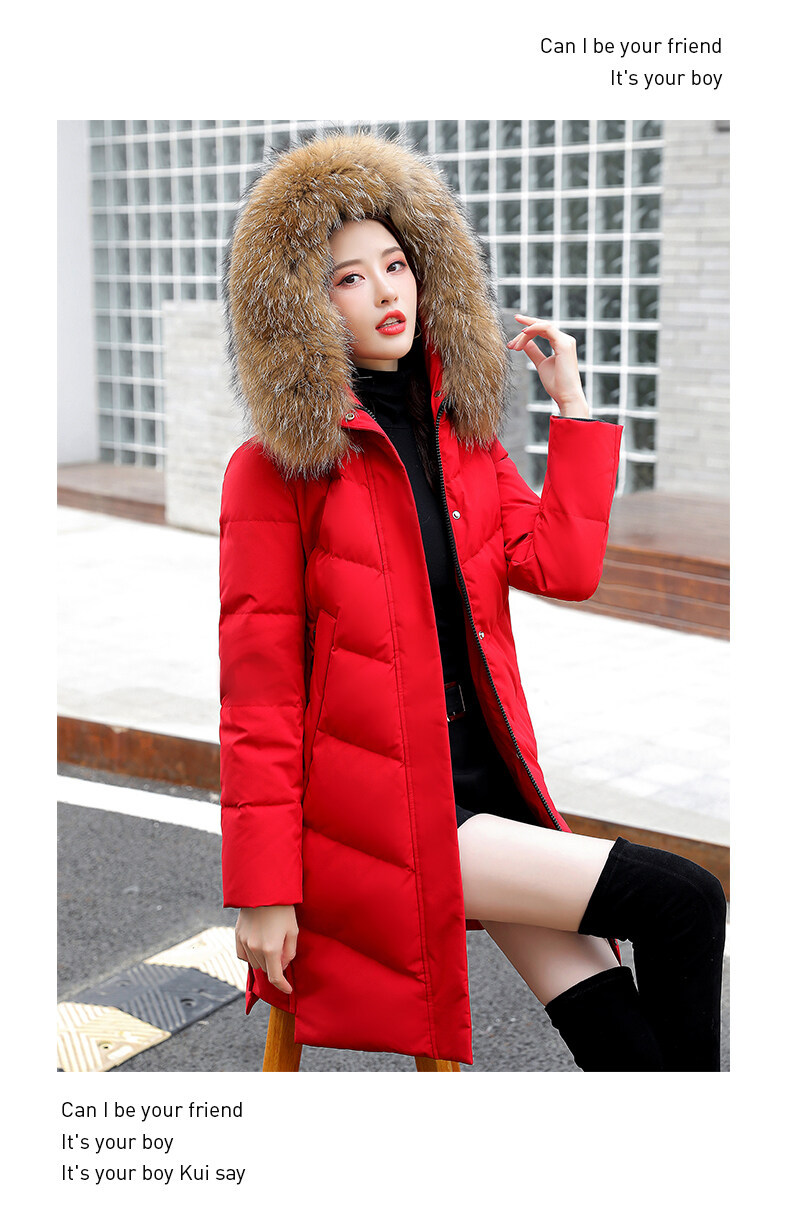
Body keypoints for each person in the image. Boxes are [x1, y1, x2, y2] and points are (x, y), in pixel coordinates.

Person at [219, 131, 726, 1071]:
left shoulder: (465, 442)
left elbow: (561, 566)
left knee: (626, 1043)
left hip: (491, 794)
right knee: (686, 900)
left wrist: (573, 409)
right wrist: (262, 886)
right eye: (348, 278)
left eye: (396, 264)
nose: (386, 292)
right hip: (388, 820)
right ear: (300, 307)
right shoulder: (275, 470)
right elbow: (258, 698)